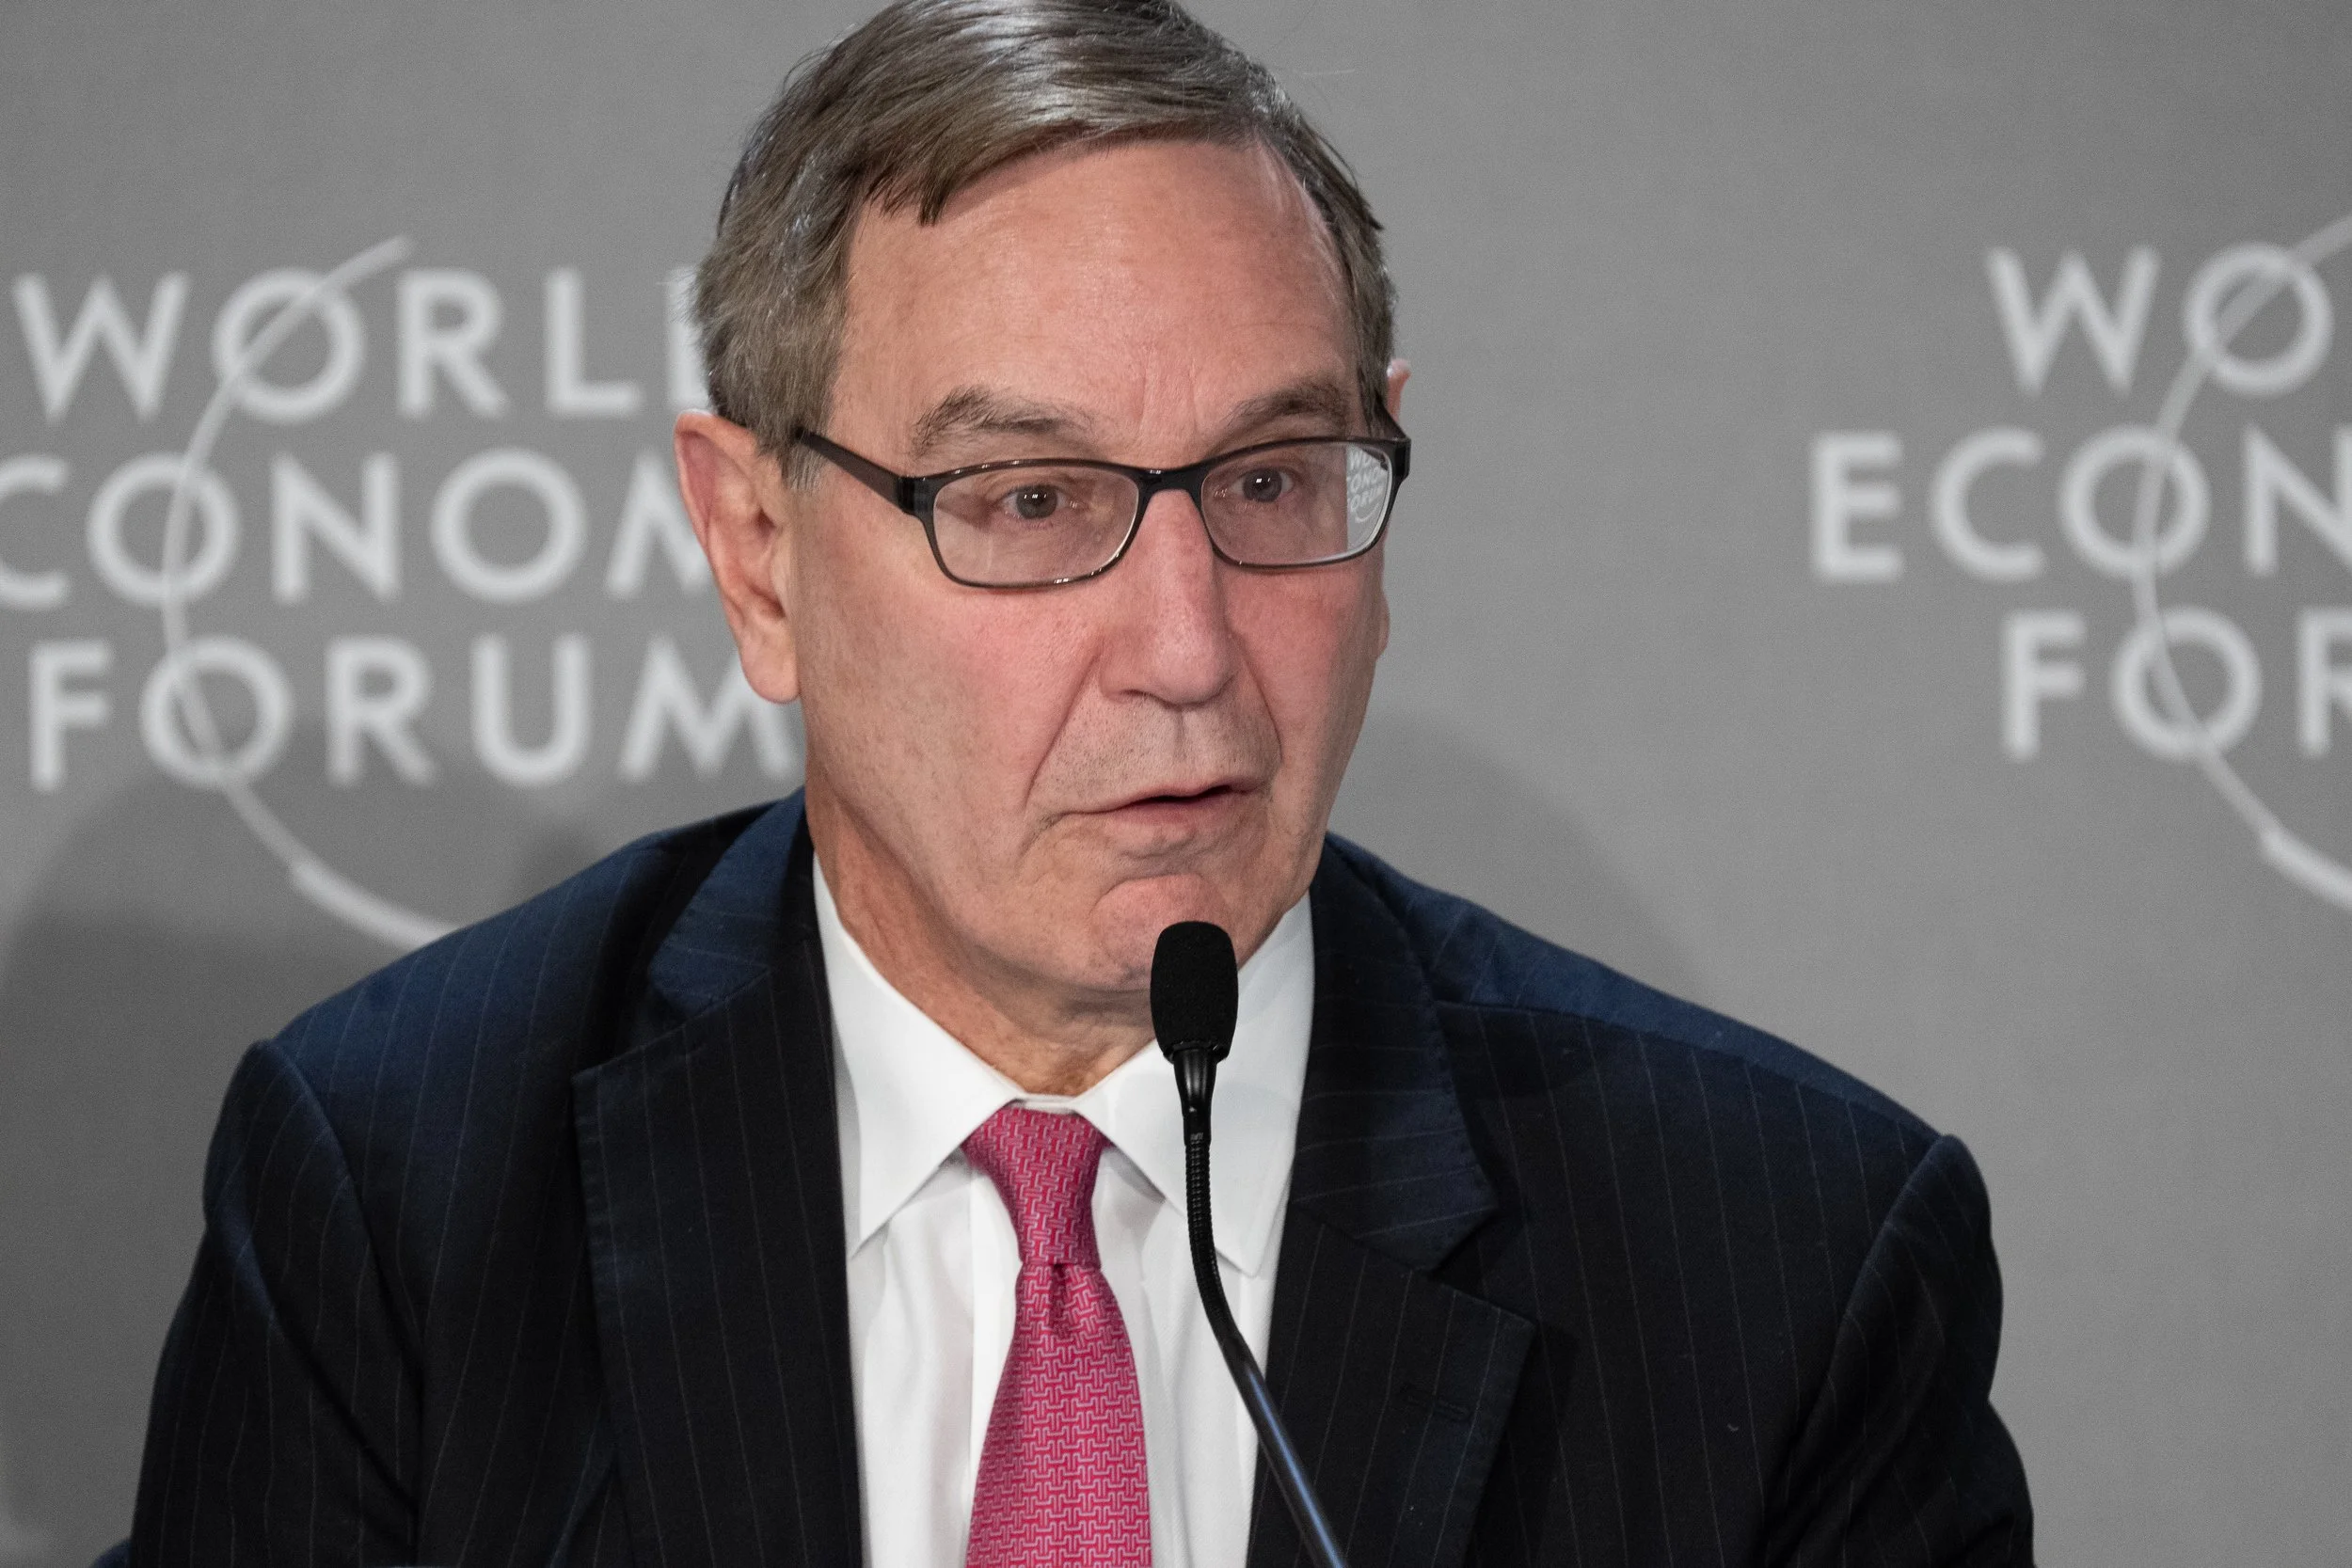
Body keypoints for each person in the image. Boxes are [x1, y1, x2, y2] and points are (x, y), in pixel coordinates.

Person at [111, 0, 2033, 1563]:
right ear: (759, 554)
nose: (1187, 646)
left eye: (1271, 480)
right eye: (1029, 501)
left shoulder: (1783, 1264)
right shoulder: (407, 1196)